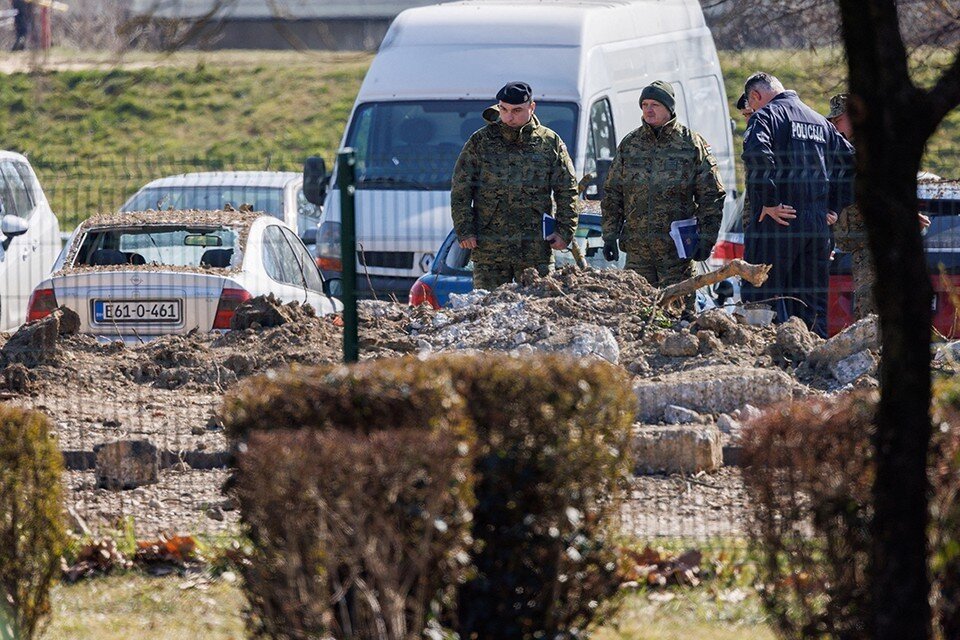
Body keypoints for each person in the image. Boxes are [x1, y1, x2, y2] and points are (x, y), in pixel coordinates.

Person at [740, 72, 855, 337]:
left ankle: (760, 366)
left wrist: (768, 202)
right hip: (816, 228)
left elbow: (756, 153)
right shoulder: (819, 121)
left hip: (779, 221)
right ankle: (812, 366)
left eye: (751, 103)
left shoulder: (766, 116)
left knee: (761, 295)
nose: (753, 109)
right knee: (810, 304)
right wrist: (834, 207)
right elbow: (851, 162)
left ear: (755, 96)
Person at [450, 81, 579, 291]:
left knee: (538, 311)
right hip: (490, 248)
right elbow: (461, 188)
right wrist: (465, 230)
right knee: (486, 312)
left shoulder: (549, 143)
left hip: (535, 249)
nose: (509, 117)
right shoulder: (481, 141)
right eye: (504, 109)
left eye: (517, 111)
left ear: (532, 108)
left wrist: (565, 230)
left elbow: (567, 189)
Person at [600, 80, 726, 291]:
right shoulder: (630, 144)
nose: (648, 110)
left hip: (676, 255)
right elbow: (613, 193)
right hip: (638, 253)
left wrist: (706, 239)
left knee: (679, 316)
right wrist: (609, 235)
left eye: (655, 105)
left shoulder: (690, 144)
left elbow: (711, 196)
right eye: (645, 104)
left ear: (669, 108)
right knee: (637, 313)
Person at [827, 92, 929, 318]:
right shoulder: (837, 151)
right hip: (849, 243)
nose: (834, 125)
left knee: (870, 306)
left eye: (838, 119)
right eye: (832, 121)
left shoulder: (872, 152)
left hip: (872, 241)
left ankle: (873, 350)